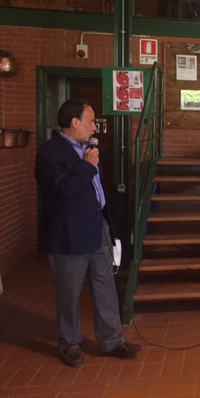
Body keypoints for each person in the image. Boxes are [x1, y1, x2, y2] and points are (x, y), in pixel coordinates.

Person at [35, 99, 141, 367]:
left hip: (97, 227)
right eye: (91, 121)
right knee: (69, 292)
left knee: (105, 286)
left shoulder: (88, 150)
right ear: (74, 122)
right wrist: (87, 166)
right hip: (68, 233)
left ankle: (113, 340)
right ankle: (69, 344)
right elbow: (62, 191)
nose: (95, 127)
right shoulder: (50, 153)